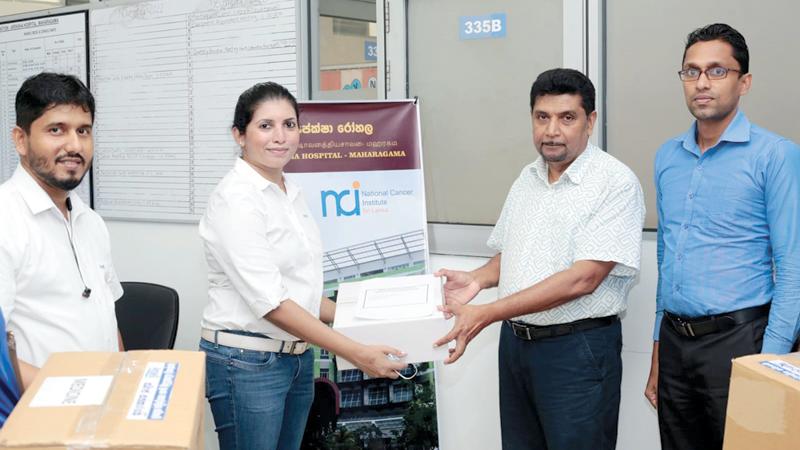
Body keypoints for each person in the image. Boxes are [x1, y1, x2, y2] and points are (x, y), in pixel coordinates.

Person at [433, 68, 644, 450]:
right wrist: (478, 279)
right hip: (516, 348)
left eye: (567, 118)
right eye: (542, 117)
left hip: (576, 352)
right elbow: (516, 252)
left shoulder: (615, 182)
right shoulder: (527, 177)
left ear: (590, 121)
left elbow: (584, 278)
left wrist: (488, 312)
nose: (551, 131)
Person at [198, 81, 406, 450]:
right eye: (265, 126)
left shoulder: (289, 193)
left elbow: (303, 295)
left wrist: (365, 320)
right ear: (239, 135)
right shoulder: (235, 201)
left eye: (289, 124)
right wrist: (354, 351)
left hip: (295, 359)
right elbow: (272, 304)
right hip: (247, 363)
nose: (280, 137)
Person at [644, 23, 800, 450]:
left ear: (743, 81)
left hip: (742, 342)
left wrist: (770, 367)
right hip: (676, 344)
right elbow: (666, 256)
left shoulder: (775, 155)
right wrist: (659, 349)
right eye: (691, 72)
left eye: (717, 71)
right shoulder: (667, 156)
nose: (701, 83)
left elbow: (794, 269)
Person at [0, 73, 124, 388]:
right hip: (39, 417)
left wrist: (123, 386)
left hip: (96, 409)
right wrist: (72, 394)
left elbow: (107, 317)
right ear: (20, 140)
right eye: (56, 130)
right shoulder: (6, 219)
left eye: (84, 131)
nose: (74, 145)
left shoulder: (90, 221)